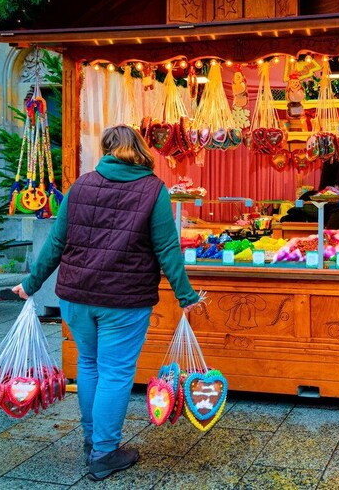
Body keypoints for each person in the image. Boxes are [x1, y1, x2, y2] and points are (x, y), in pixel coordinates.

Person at [12, 125, 200, 481]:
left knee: (90, 364)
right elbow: (167, 248)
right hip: (124, 301)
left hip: (76, 296)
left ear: (107, 150)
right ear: (140, 150)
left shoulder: (81, 185)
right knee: (114, 372)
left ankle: (91, 442)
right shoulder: (152, 189)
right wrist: (186, 296)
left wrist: (30, 284)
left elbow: (55, 242)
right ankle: (104, 451)